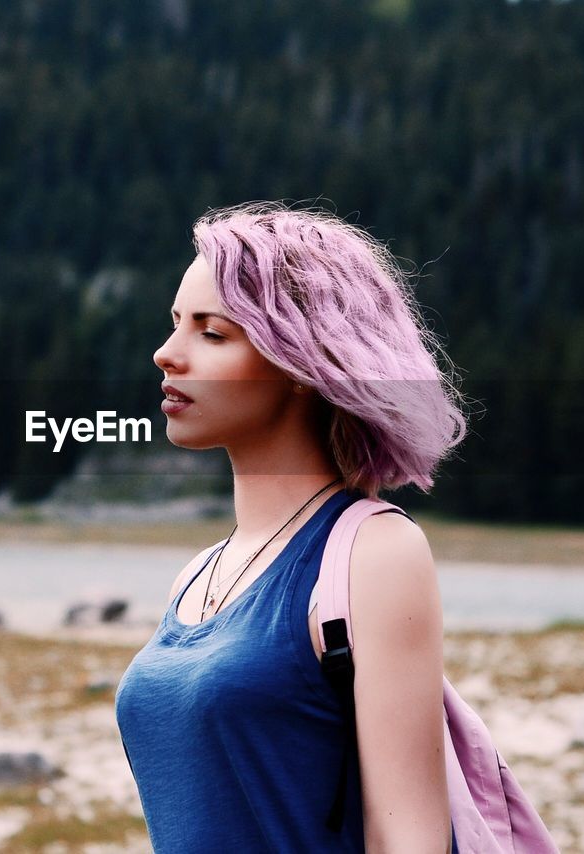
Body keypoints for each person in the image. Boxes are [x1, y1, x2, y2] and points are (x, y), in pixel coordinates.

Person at [114, 202, 467, 853]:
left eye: (211, 334)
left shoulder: (375, 552)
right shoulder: (195, 577)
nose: (166, 355)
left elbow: (409, 838)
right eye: (173, 326)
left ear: (302, 362)